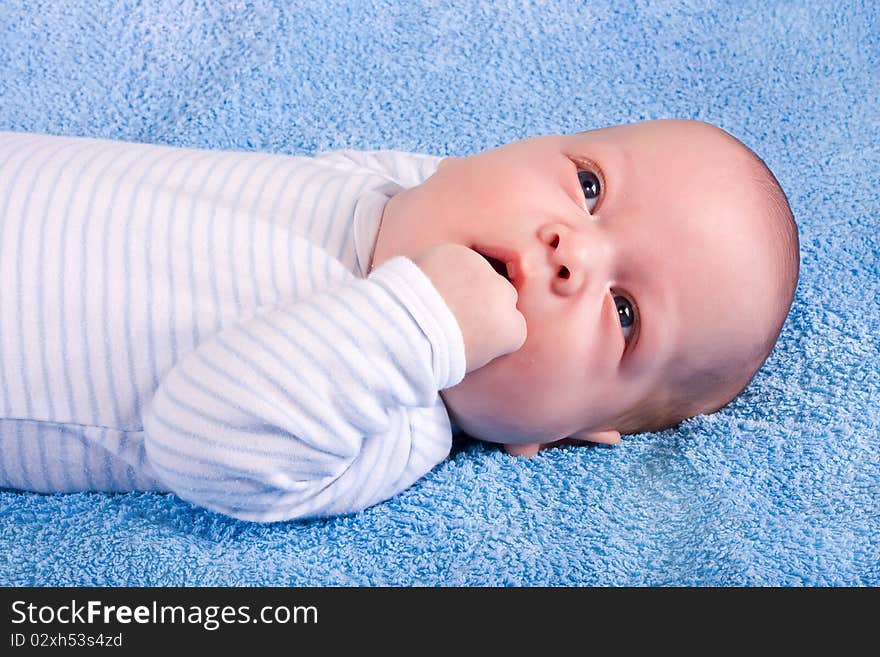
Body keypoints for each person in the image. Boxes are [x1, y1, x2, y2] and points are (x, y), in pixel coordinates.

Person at [0, 119, 799, 521]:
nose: (571, 251)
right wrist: (454, 202)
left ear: (558, 433)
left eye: (623, 313)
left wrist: (422, 324)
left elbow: (199, 445)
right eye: (588, 187)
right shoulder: (383, 195)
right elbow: (453, 181)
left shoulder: (392, 425)